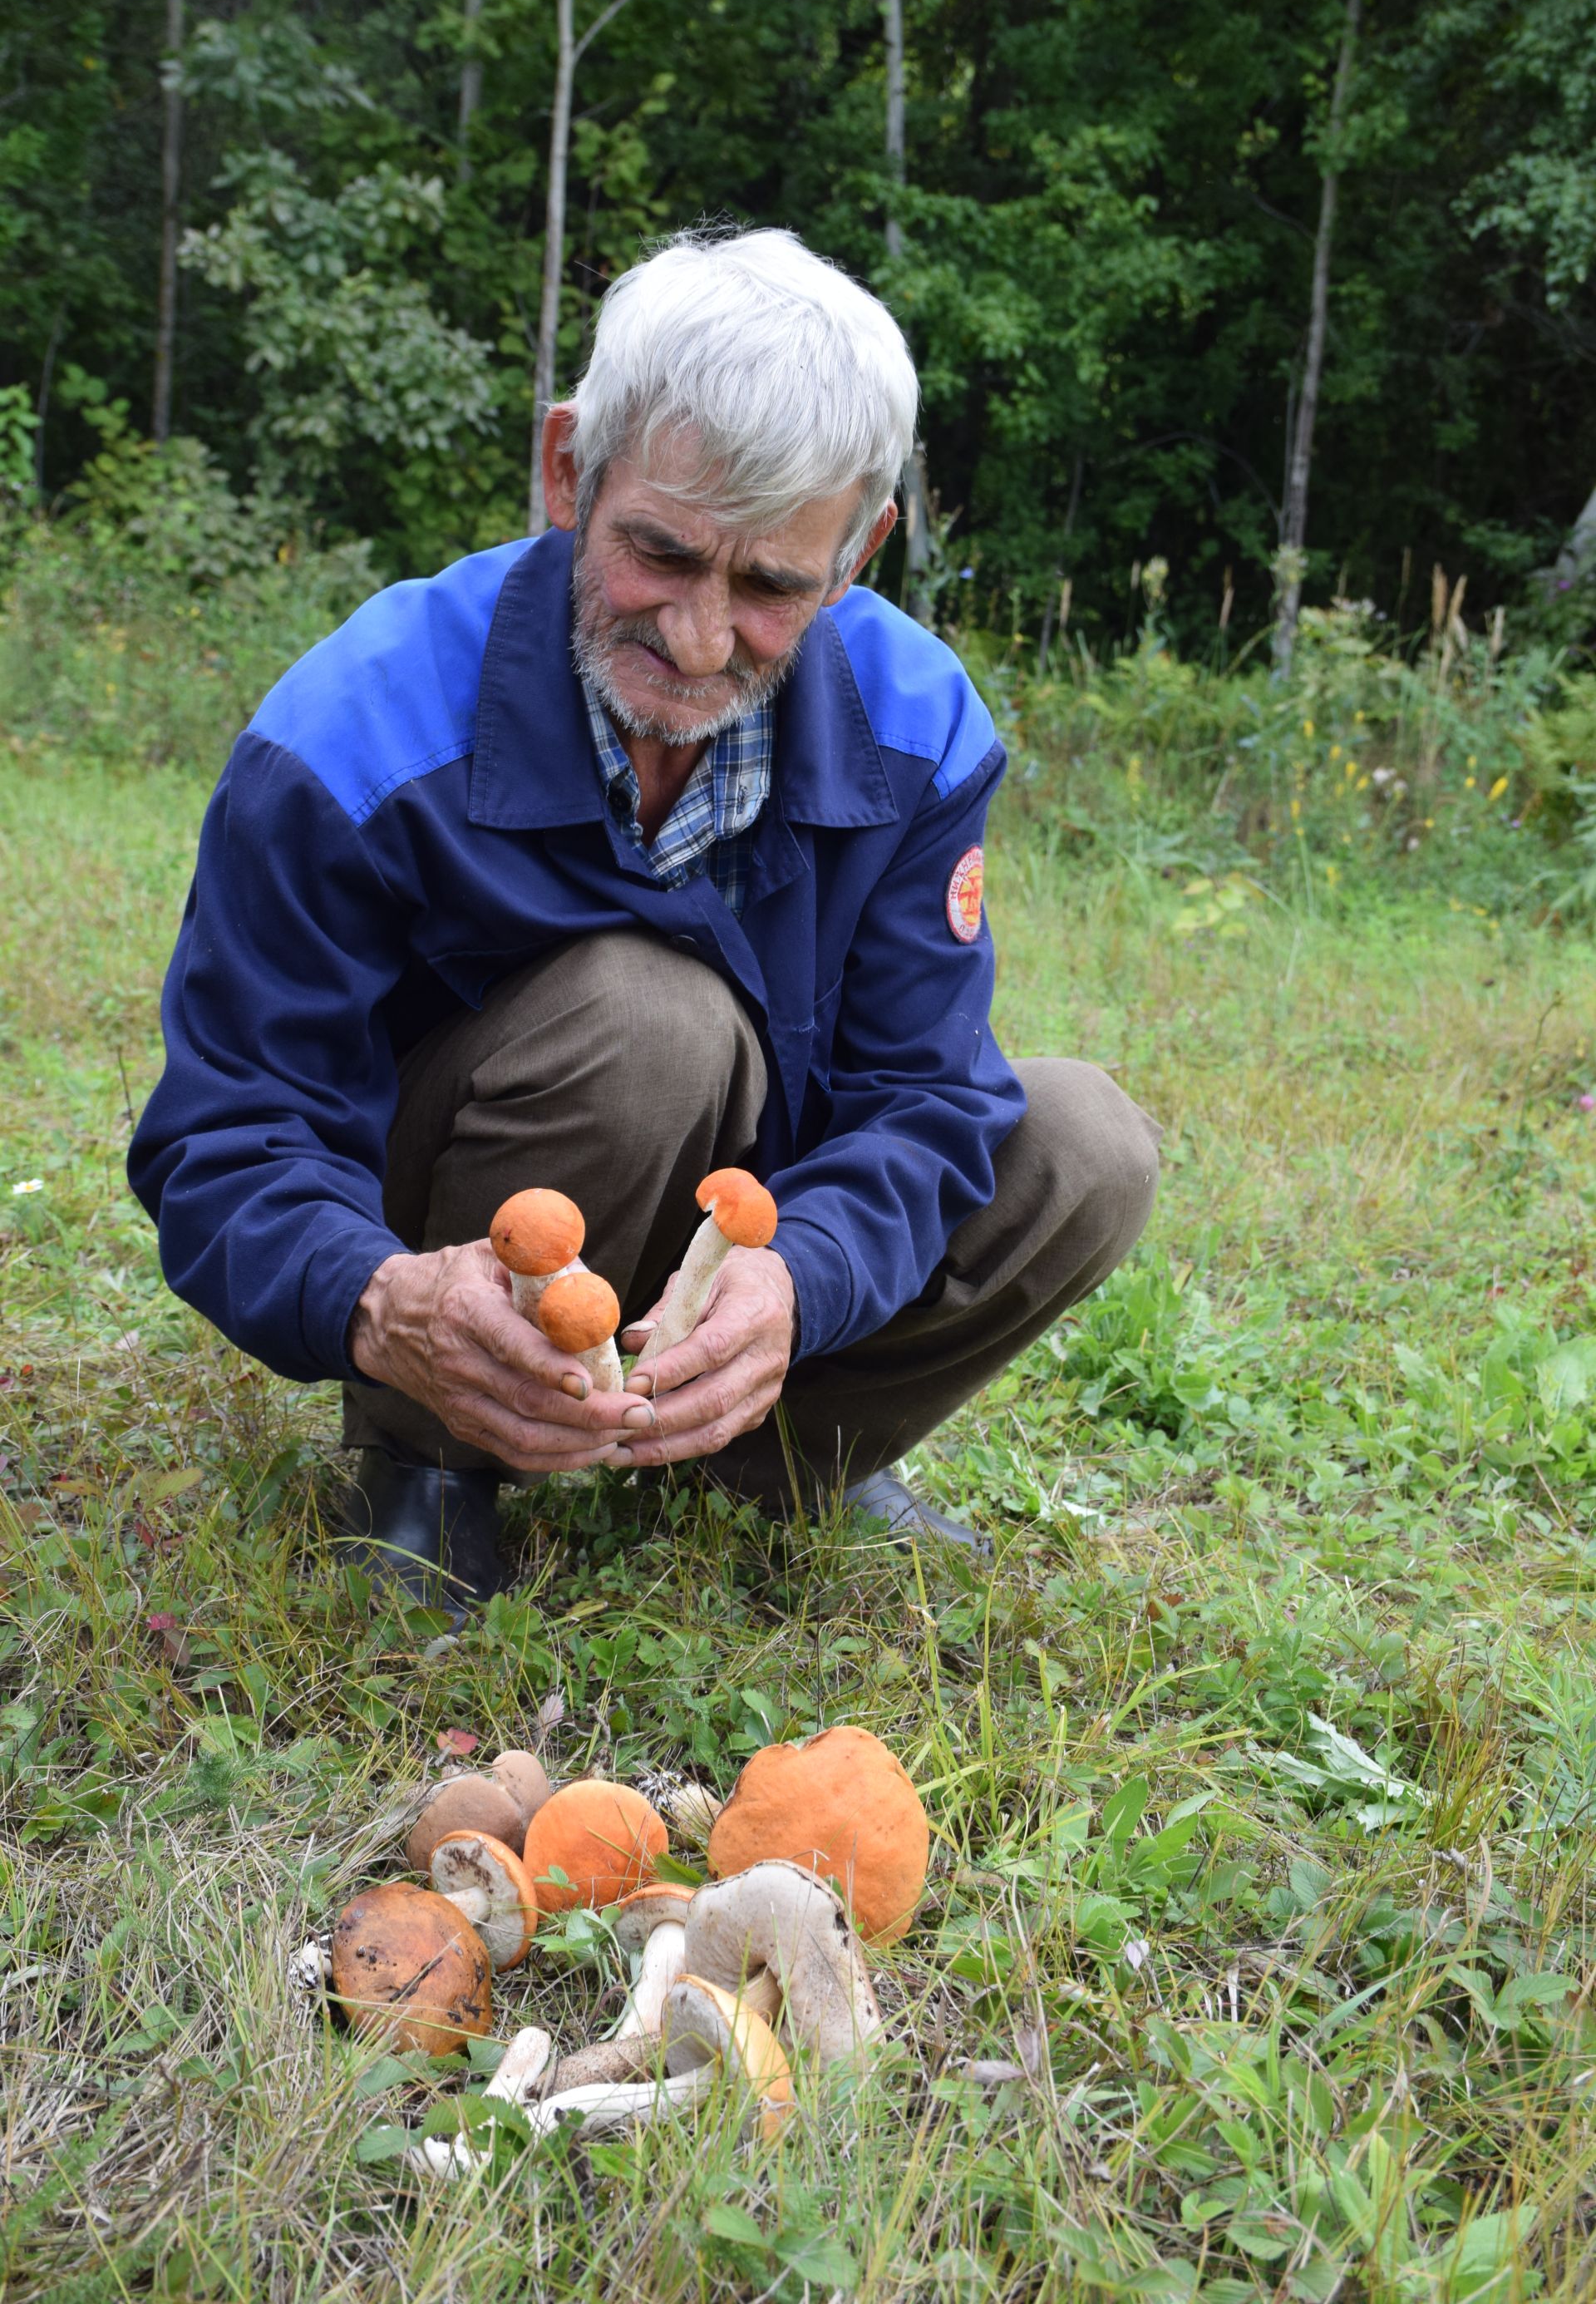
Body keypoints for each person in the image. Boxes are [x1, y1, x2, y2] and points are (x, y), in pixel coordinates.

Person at [128, 228, 1159, 1602]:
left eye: (774, 586)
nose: (698, 636)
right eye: (661, 555)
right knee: (652, 1017)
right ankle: (434, 1466)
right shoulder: (352, 734)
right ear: (569, 471)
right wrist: (381, 1301)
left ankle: (776, 1458)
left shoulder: (921, 728)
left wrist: (800, 1282)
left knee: (1088, 1145)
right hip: (472, 1202)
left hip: (742, 1215)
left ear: (861, 549)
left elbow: (922, 1097)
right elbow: (226, 1140)